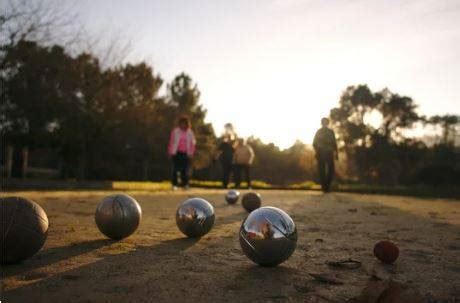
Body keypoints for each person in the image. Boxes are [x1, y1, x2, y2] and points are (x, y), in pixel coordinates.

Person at [168, 116, 196, 190]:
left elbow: (192, 144)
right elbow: (171, 142)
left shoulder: (190, 132)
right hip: (176, 153)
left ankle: (185, 184)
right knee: (175, 169)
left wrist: (191, 153)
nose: (183, 125)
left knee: (185, 170)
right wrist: (170, 152)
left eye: (184, 123)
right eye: (181, 123)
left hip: (186, 154)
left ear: (187, 124)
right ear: (179, 124)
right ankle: (175, 185)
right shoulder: (175, 131)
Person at [313, 117, 338, 192]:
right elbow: (314, 143)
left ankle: (327, 186)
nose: (325, 124)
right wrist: (318, 149)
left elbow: (334, 143)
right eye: (323, 122)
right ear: (322, 123)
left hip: (329, 153)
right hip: (321, 153)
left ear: (327, 123)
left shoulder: (331, 132)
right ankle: (324, 187)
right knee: (321, 171)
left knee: (331, 170)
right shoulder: (318, 132)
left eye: (326, 122)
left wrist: (336, 153)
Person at [217, 123, 236, 188]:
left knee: (229, 173)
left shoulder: (232, 145)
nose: (229, 139)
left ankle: (227, 184)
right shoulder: (223, 144)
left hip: (231, 161)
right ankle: (224, 184)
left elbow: (235, 153)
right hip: (224, 160)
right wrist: (216, 157)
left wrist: (234, 160)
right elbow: (219, 151)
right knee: (224, 172)